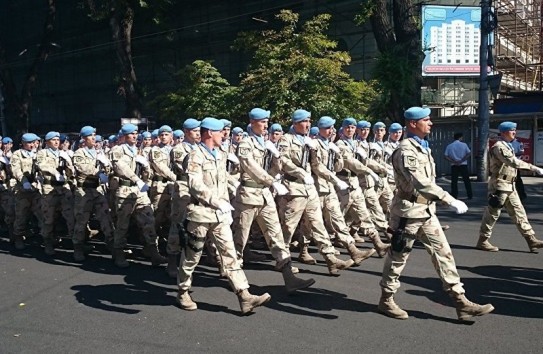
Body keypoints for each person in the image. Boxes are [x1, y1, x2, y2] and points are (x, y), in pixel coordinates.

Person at [378, 106, 494, 321]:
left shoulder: (422, 147)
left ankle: (460, 300)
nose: (431, 123)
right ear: (413, 124)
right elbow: (420, 183)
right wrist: (449, 199)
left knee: (444, 254)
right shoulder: (406, 150)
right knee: (398, 257)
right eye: (427, 120)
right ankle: (386, 299)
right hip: (408, 213)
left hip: (426, 211)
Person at [177, 117, 271, 314]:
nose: (224, 135)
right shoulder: (195, 156)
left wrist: (228, 198)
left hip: (219, 215)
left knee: (229, 255)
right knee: (192, 256)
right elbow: (195, 184)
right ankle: (183, 290)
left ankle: (244, 295)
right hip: (200, 214)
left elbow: (222, 180)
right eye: (220, 132)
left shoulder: (220, 154)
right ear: (210, 133)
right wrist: (215, 200)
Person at [231, 107, 315, 292]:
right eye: (262, 122)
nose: (266, 125)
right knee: (240, 239)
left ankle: (289, 278)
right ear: (253, 123)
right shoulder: (246, 144)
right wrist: (272, 182)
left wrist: (276, 157)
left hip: (265, 195)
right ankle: (236, 280)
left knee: (276, 236)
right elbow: (250, 166)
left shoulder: (265, 143)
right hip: (248, 196)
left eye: (267, 122)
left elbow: (274, 170)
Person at [277, 109, 354, 275]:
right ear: (296, 123)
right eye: (305, 121)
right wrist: (300, 173)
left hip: (310, 189)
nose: (308, 124)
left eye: (309, 121)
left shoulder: (308, 141)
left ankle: (330, 259)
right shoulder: (286, 139)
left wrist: (335, 179)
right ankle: (283, 261)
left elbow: (317, 166)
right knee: (288, 228)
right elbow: (283, 161)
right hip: (294, 188)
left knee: (318, 223)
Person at [477, 121, 543, 253]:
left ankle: (531, 239)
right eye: (512, 130)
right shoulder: (499, 147)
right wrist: (533, 168)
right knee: (493, 213)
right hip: (499, 185)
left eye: (515, 130)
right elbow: (512, 162)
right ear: (504, 132)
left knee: (519, 212)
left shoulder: (508, 146)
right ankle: (483, 240)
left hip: (509, 185)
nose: (515, 132)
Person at [109, 123, 167, 268]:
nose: (135, 136)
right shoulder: (117, 150)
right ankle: (119, 253)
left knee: (149, 220)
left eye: (136, 133)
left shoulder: (137, 151)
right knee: (122, 224)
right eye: (131, 133)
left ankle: (153, 252)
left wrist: (146, 169)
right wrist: (137, 179)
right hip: (125, 191)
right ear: (124, 136)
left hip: (139, 191)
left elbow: (146, 172)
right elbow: (120, 167)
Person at [72, 126, 114, 261]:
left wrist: (106, 165)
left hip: (97, 189)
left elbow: (108, 169)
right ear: (84, 139)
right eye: (91, 136)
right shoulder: (79, 153)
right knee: (81, 220)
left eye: (95, 135)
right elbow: (83, 168)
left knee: (105, 217)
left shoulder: (98, 153)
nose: (94, 138)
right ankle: (78, 247)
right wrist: (98, 172)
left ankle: (113, 245)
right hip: (84, 190)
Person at [35, 131, 75, 255]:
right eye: (53, 140)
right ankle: (48, 242)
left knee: (71, 217)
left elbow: (72, 172)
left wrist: (68, 164)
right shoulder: (43, 153)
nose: (57, 142)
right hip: (50, 188)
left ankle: (77, 244)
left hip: (63, 188)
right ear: (47, 142)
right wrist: (55, 172)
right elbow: (41, 165)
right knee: (48, 218)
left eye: (58, 139)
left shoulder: (63, 154)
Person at [444, 133, 473, 200]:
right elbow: (469, 153)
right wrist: (462, 160)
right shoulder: (464, 145)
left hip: (454, 165)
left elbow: (445, 156)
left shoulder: (450, 146)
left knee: (454, 181)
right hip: (463, 164)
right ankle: (469, 195)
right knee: (466, 180)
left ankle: (454, 195)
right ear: (460, 137)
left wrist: (453, 161)